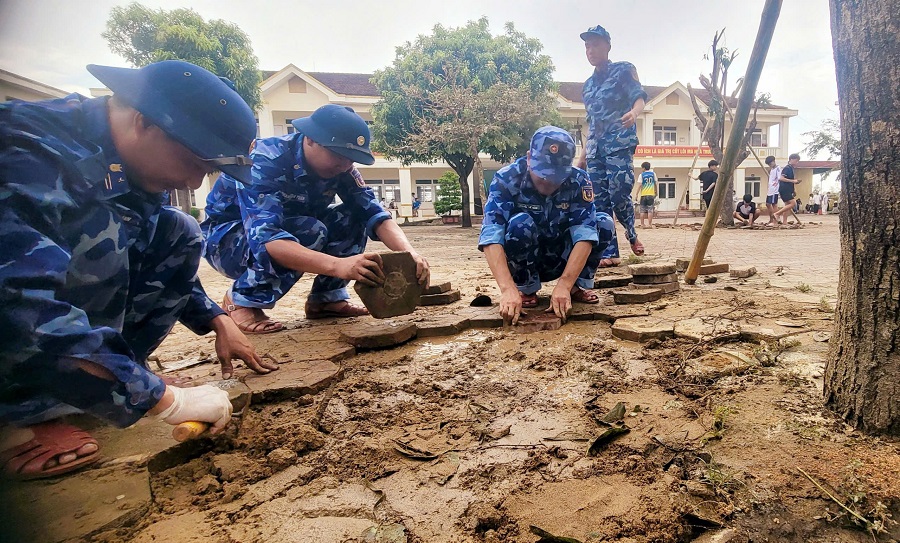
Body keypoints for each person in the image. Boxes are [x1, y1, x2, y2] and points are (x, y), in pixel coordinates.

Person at [0, 60, 278, 479]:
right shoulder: (24, 151)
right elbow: (14, 304)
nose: (192, 182)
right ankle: (19, 415)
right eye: (194, 162)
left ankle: (98, 379)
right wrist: (164, 400)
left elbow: (153, 249)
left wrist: (218, 319)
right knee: (104, 232)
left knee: (178, 229)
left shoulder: (128, 163)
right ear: (144, 123)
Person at [202, 104, 430, 330]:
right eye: (339, 155)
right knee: (312, 230)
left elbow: (374, 212)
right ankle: (241, 300)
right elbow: (267, 238)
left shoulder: (342, 168)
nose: (345, 164)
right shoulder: (265, 159)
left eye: (352, 158)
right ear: (310, 139)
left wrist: (410, 253)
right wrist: (338, 266)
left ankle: (327, 299)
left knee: (352, 216)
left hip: (295, 231)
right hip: (228, 241)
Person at [479, 126, 614, 325]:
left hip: (563, 257)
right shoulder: (506, 178)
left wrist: (565, 284)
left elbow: (585, 233)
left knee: (603, 223)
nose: (548, 183)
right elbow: (491, 235)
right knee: (519, 223)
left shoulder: (579, 180)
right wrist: (507, 289)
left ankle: (577, 286)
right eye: (542, 175)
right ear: (528, 159)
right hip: (525, 258)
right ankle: (525, 288)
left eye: (556, 177)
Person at [576, 24, 648, 268]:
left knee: (619, 192)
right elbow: (592, 124)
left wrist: (635, 113)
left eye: (595, 44)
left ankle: (631, 233)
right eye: (587, 46)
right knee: (599, 200)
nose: (590, 50)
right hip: (596, 148)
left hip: (619, 143)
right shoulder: (587, 86)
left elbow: (638, 96)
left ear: (608, 45)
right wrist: (582, 156)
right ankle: (609, 250)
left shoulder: (624, 70)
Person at [773, 153, 801, 223]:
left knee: (787, 206)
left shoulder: (791, 168)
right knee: (793, 203)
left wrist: (793, 189)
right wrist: (793, 181)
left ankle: (784, 222)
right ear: (791, 159)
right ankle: (777, 214)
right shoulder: (787, 168)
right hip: (784, 189)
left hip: (788, 189)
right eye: (796, 160)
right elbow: (781, 178)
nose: (797, 162)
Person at [637, 161, 657, 228]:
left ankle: (642, 224)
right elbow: (655, 183)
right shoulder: (653, 174)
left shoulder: (641, 175)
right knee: (650, 210)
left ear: (644, 168)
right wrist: (656, 191)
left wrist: (637, 194)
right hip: (651, 194)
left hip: (643, 194)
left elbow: (639, 185)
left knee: (642, 210)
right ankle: (649, 224)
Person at [764, 155, 782, 226]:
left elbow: (779, 178)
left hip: (775, 189)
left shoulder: (778, 168)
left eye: (770, 163)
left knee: (774, 204)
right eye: (769, 164)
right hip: (770, 189)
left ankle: (776, 220)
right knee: (768, 204)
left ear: (774, 161)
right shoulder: (771, 170)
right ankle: (771, 219)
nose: (770, 165)